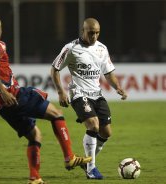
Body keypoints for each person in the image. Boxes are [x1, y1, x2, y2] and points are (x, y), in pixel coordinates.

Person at [0, 14, 92, 184]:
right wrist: (2, 90)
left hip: (1, 107)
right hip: (14, 95)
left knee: (35, 135)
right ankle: (69, 157)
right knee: (56, 113)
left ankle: (35, 178)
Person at [51, 18, 127, 180]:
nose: (94, 36)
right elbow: (55, 69)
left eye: (97, 33)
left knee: (106, 132)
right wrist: (60, 92)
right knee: (93, 125)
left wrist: (118, 87)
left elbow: (108, 73)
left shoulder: (102, 48)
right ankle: (91, 168)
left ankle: (87, 162)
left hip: (97, 94)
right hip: (79, 93)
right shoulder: (71, 48)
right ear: (83, 31)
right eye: (91, 33)